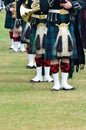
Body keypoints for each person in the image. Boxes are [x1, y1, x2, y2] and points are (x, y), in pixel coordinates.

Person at [40, 0, 85, 90]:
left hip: (68, 21)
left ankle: (64, 83)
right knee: (54, 56)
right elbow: (43, 8)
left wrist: (71, 5)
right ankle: (56, 84)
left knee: (66, 54)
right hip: (53, 22)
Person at [19, 0, 53, 82]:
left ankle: (47, 75)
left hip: (48, 21)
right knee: (37, 51)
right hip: (35, 22)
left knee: (47, 51)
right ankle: (38, 75)